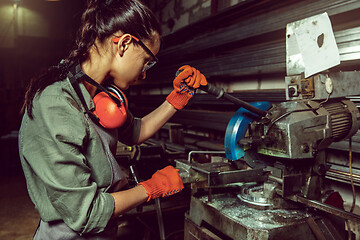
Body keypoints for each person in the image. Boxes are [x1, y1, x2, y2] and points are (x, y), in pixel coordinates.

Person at [18, 0, 207, 239]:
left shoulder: (99, 93)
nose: (144, 72)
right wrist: (151, 188)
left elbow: (136, 131)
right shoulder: (54, 105)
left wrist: (177, 99)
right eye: (147, 60)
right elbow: (86, 213)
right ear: (125, 44)